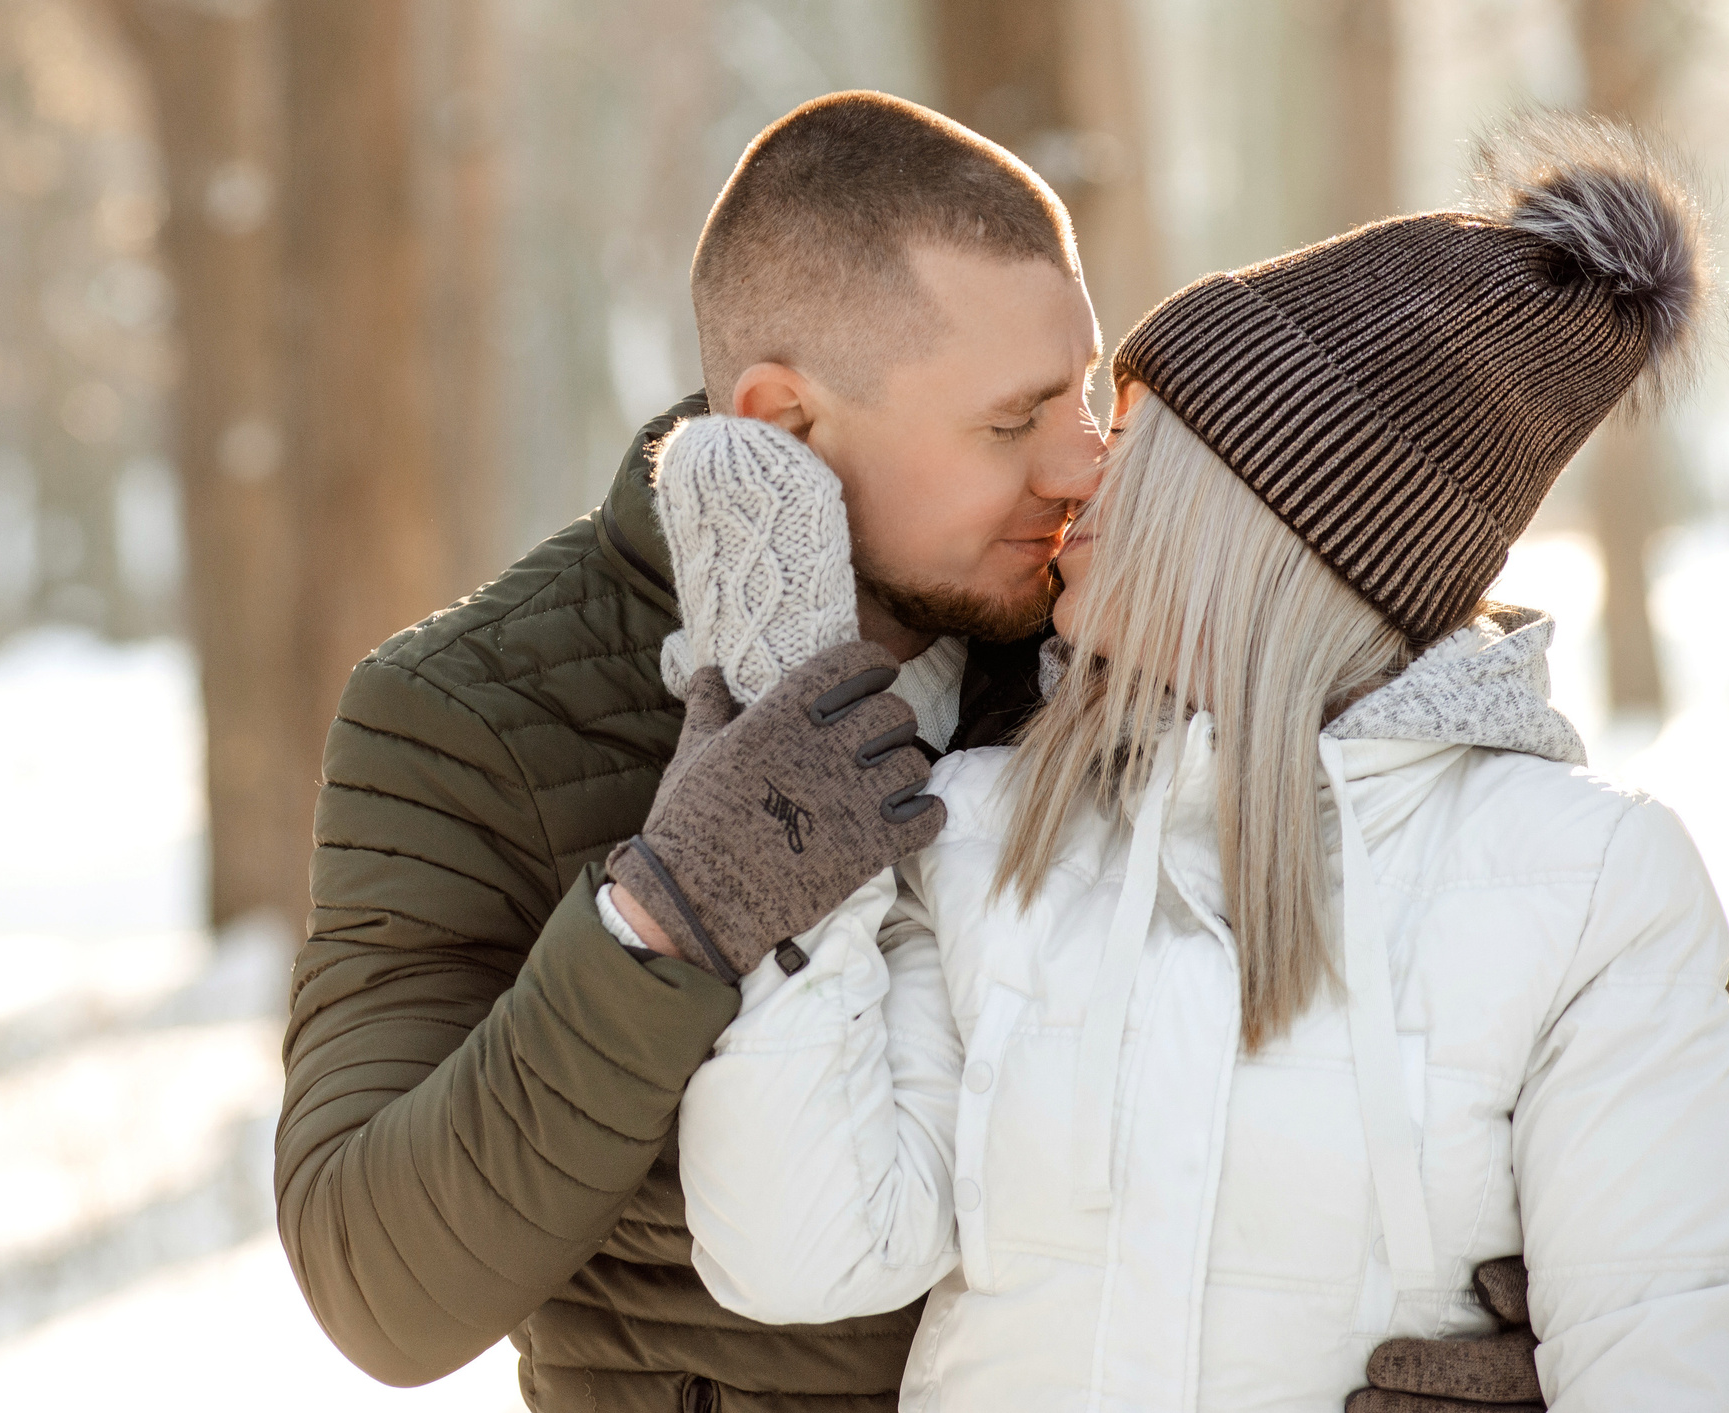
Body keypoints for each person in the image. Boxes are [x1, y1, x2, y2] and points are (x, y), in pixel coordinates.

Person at [277, 91, 1543, 1412]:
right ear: (782, 423)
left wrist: (1522, 1333)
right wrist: (665, 917)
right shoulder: (475, 711)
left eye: (1086, 398)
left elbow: (1431, 960)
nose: (1082, 467)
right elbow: (379, 1290)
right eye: (1010, 424)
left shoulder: (1120, 653)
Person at [660, 118, 1729, 1410]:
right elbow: (804, 1251)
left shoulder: (1589, 882)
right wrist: (780, 701)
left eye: (1134, 431)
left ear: (1250, 516)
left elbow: (1684, 1347)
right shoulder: (983, 825)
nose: (1082, 468)